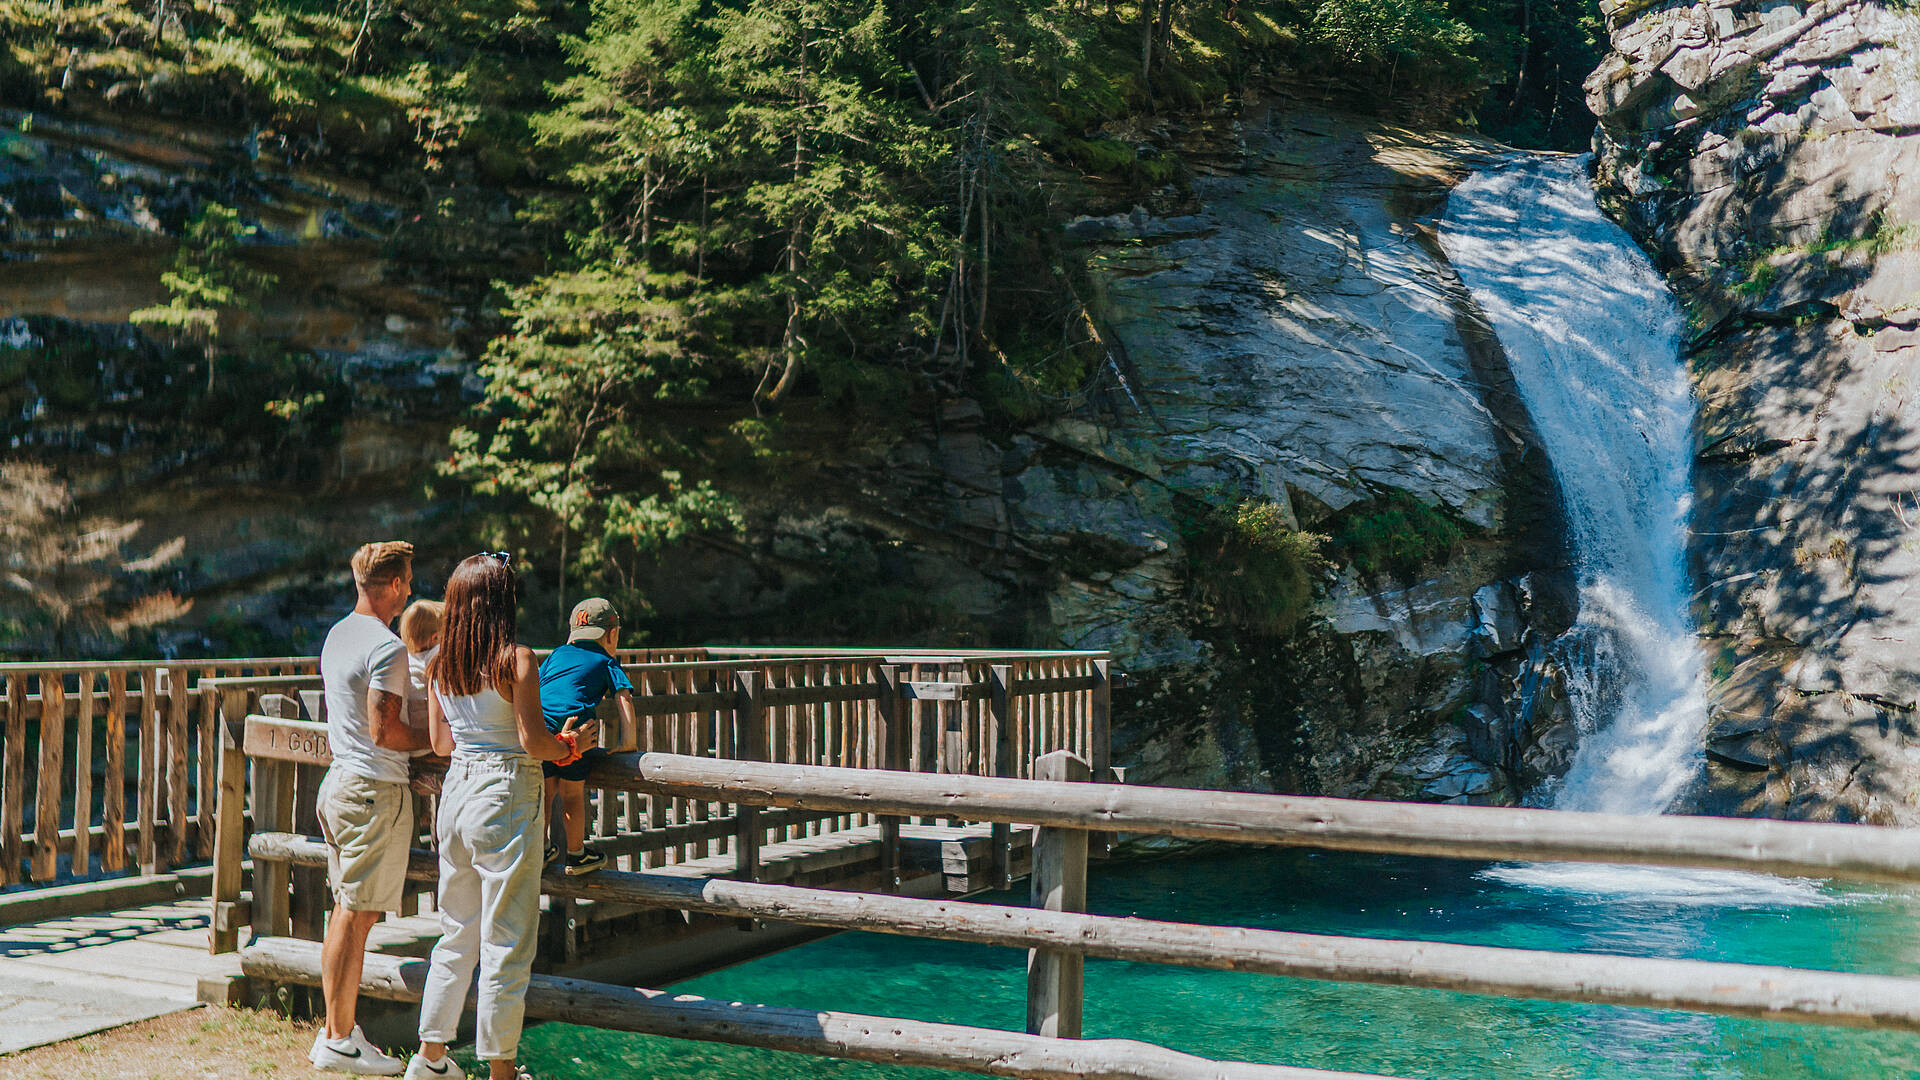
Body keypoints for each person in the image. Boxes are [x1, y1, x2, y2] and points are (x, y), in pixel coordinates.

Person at [406, 552, 598, 1080]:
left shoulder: (440, 663)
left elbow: (441, 744)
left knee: (456, 932)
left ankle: (430, 1058)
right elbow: (532, 741)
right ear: (500, 602)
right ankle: (502, 1072)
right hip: (507, 792)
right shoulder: (516, 659)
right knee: (507, 941)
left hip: (457, 793)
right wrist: (571, 744)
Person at [312, 541, 432, 1076]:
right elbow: (386, 730)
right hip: (371, 793)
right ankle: (338, 1040)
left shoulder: (338, 635)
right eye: (408, 580)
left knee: (345, 912)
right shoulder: (386, 648)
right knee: (355, 917)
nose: (409, 588)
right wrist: (438, 738)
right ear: (398, 585)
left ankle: (337, 1031)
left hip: (341, 783)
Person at [537, 597, 637, 875]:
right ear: (612, 633)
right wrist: (627, 743)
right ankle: (577, 855)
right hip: (578, 726)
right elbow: (624, 698)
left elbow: (536, 684)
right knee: (571, 794)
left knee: (546, 791)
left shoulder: (556, 654)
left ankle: (541, 848)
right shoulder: (606, 660)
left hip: (543, 726)